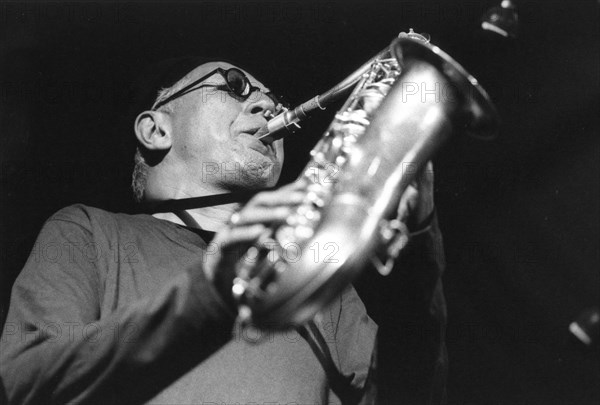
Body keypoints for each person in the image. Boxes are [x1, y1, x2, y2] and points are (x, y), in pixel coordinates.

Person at [0, 57, 447, 404]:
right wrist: (210, 296)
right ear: (156, 130)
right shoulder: (88, 232)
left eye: (274, 99)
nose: (271, 106)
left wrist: (419, 243)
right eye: (235, 86)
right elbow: (23, 383)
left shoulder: (309, 267)